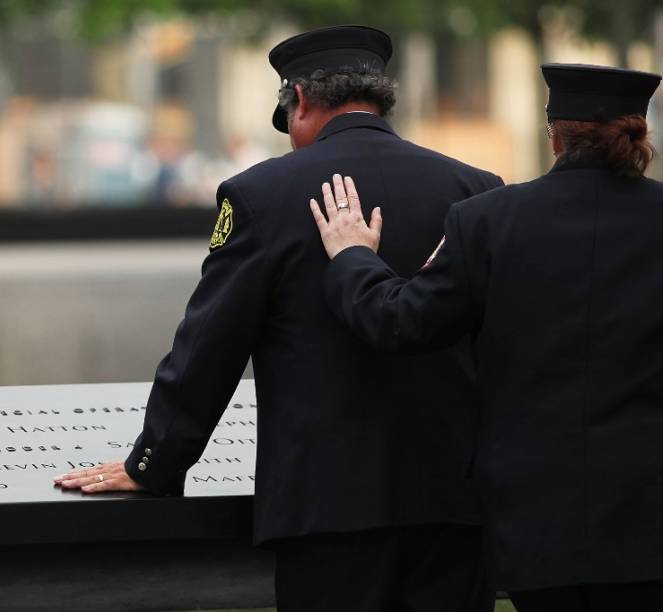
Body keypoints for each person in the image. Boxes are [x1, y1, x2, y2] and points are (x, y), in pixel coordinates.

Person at [56, 25, 503, 611]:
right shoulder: (476, 190)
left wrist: (154, 463)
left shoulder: (261, 194)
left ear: (300, 101)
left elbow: (209, 346)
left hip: (326, 511)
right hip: (455, 506)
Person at [309, 63, 663, 612]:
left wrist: (353, 256)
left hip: (537, 521)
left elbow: (399, 321)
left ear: (554, 137)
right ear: (640, 132)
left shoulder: (488, 220)